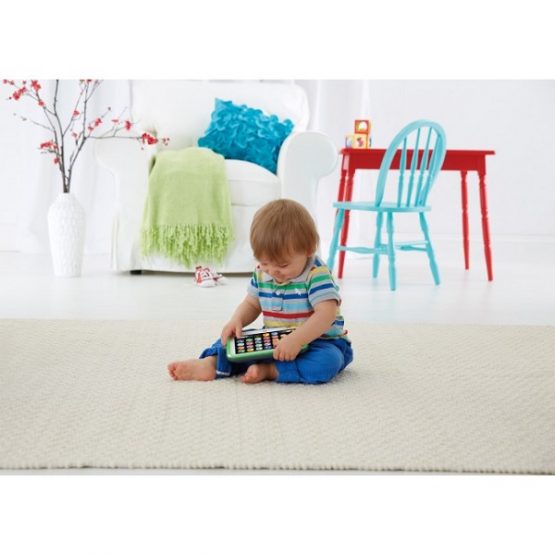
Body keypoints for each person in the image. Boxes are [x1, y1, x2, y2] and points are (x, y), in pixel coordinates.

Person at [167, 199, 353, 384]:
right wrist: (237, 320)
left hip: (319, 342)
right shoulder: (262, 273)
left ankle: (271, 370)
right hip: (275, 339)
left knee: (327, 362)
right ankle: (212, 363)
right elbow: (252, 303)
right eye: (264, 263)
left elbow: (326, 314)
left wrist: (297, 340)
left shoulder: (316, 274)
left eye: (282, 265)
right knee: (232, 341)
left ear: (309, 249)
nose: (272, 271)